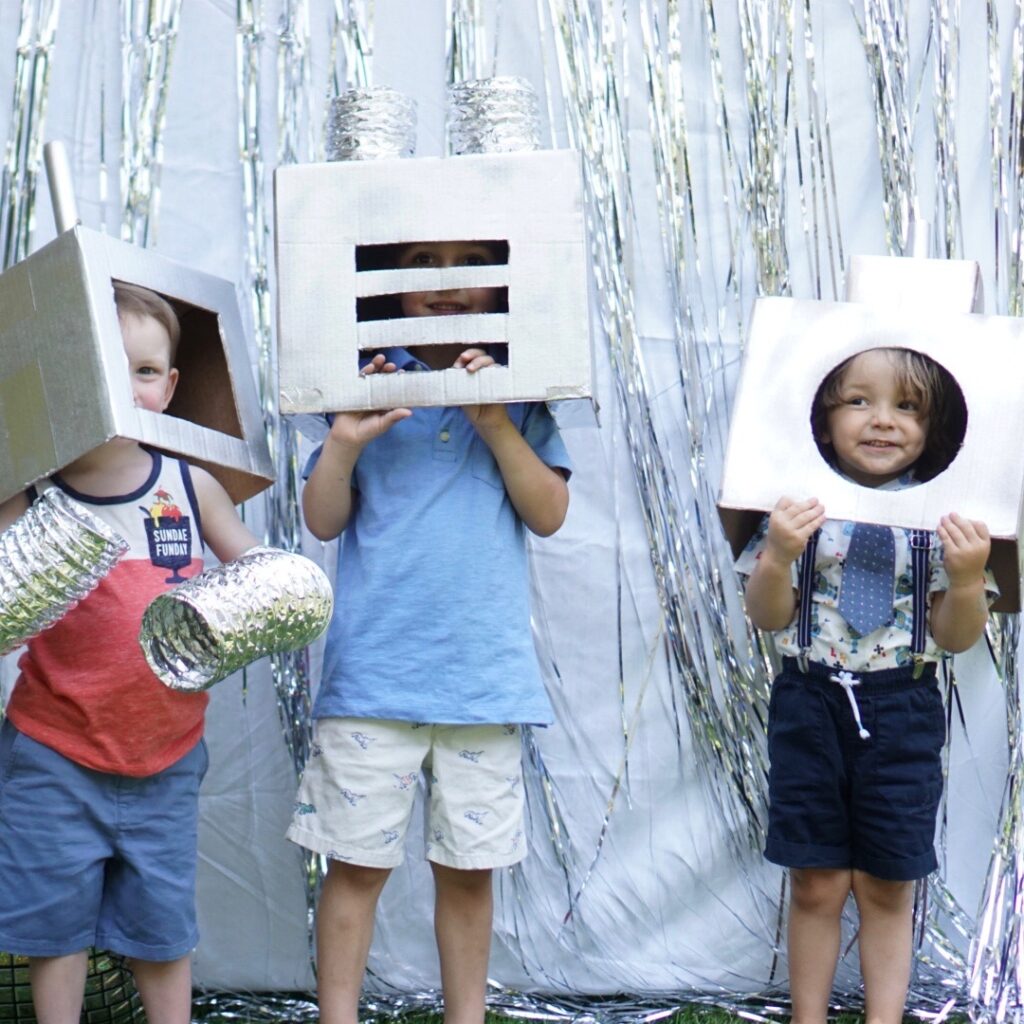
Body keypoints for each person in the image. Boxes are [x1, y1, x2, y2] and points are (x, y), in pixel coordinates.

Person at [287, 239, 571, 1024]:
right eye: (421, 259)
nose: (444, 279)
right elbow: (321, 519)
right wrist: (344, 440)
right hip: (373, 680)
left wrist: (495, 422)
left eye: (470, 260)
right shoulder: (365, 380)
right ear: (387, 278)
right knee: (355, 866)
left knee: (470, 872)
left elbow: (549, 514)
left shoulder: (522, 391)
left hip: (482, 684)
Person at [0, 282, 260, 1024]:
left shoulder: (191, 485)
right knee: (55, 929)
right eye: (105, 365)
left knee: (162, 928)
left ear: (171, 387)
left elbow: (256, 573)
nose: (125, 386)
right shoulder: (33, 493)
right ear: (70, 371)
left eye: (144, 371)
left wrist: (270, 594)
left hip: (166, 756)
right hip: (54, 753)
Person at [736, 346, 995, 1024]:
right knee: (816, 880)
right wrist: (779, 557)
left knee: (888, 883)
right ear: (822, 418)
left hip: (902, 707)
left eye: (906, 406)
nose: (883, 421)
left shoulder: (950, 516)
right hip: (810, 702)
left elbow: (956, 634)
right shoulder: (792, 505)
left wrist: (966, 579)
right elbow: (768, 616)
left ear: (936, 425)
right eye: (860, 401)